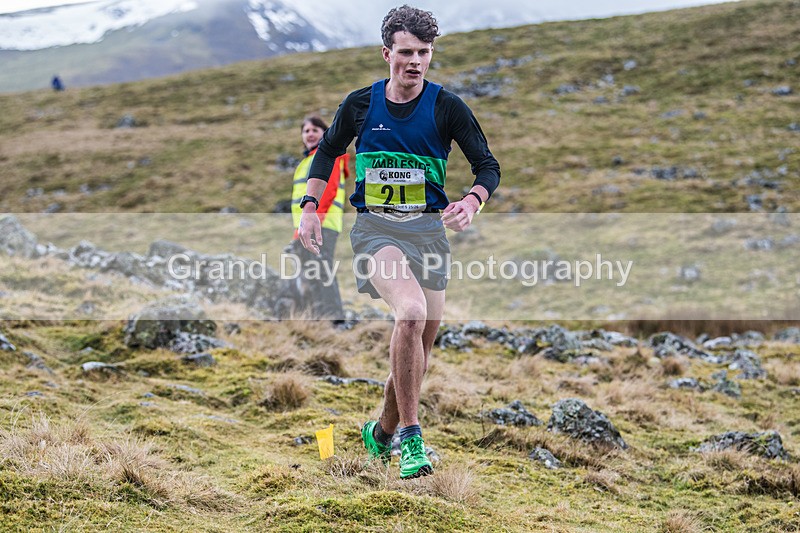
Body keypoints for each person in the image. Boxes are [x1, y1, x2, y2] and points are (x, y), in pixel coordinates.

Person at [297, 5, 500, 479]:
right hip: (377, 232)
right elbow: (327, 151)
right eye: (406, 52)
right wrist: (311, 208)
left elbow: (488, 166)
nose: (415, 61)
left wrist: (472, 201)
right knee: (409, 313)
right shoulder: (361, 104)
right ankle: (412, 439)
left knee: (420, 350)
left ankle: (381, 434)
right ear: (387, 53)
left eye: (424, 53)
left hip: (428, 234)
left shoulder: (447, 107)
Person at [289, 115, 349, 322]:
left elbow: (328, 192)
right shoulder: (307, 161)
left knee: (321, 271)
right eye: (306, 131)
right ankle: (320, 318)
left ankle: (334, 319)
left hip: (322, 225)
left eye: (315, 129)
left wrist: (314, 224)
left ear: (325, 133)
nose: (310, 134)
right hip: (308, 227)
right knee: (313, 273)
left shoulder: (327, 157)